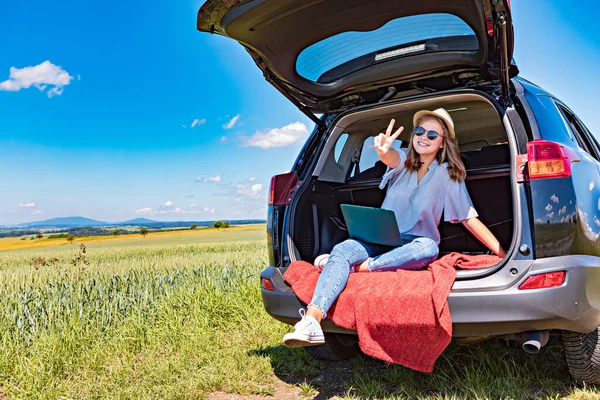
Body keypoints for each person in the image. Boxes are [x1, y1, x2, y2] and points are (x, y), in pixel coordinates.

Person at [283, 108, 507, 348]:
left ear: (443, 144)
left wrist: (502, 253)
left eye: (433, 135)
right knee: (344, 248)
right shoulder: (402, 160)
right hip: (377, 237)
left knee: (430, 248)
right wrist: (382, 150)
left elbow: (467, 217)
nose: (424, 137)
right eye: (419, 131)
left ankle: (354, 268)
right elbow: (390, 157)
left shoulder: (447, 176)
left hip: (413, 245)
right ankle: (311, 321)